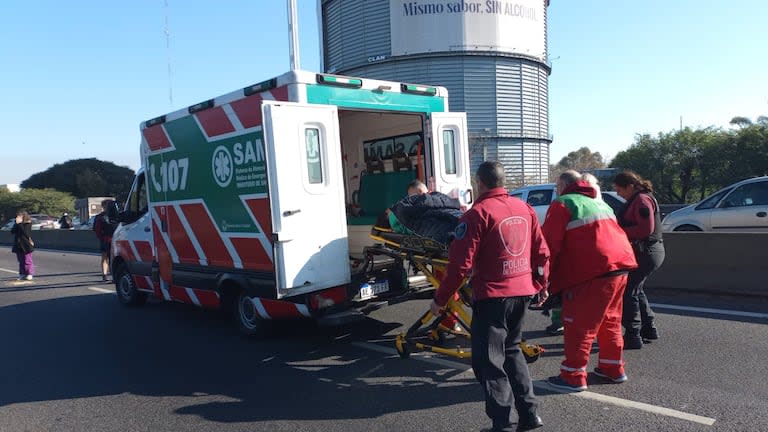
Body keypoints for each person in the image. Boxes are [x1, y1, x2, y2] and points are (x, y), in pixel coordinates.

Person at [430, 161, 549, 432]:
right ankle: (530, 415)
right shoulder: (525, 209)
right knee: (512, 351)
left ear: (479, 183)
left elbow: (459, 265)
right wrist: (541, 284)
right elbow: (542, 252)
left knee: (488, 361)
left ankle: (503, 423)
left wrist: (440, 299)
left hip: (493, 296)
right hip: (522, 293)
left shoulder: (476, 215)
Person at [541, 170, 637, 392]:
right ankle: (613, 369)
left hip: (591, 272)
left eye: (557, 187)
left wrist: (543, 277)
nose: (556, 191)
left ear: (564, 185)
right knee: (610, 321)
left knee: (578, 324)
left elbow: (549, 246)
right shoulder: (600, 203)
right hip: (620, 268)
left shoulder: (563, 203)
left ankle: (573, 375)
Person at [613, 171, 665, 349]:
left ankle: (633, 335)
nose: (618, 194)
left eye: (619, 190)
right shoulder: (639, 199)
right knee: (637, 290)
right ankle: (649, 328)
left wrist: (619, 232)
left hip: (646, 252)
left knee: (629, 292)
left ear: (630, 186)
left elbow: (646, 229)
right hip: (649, 251)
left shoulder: (642, 200)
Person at [94, 200, 119, 282]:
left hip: (106, 240)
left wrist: (102, 238)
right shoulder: (118, 216)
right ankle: (112, 276)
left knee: (105, 258)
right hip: (115, 240)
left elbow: (97, 230)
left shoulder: (99, 217)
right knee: (112, 258)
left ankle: (105, 275)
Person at [11, 211, 35, 281]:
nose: (17, 218)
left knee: (27, 260)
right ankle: (22, 274)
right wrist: (16, 224)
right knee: (21, 261)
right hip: (18, 244)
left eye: (19, 216)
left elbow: (25, 233)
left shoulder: (28, 223)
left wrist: (20, 224)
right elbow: (12, 231)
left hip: (26, 244)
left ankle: (29, 273)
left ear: (24, 216)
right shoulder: (17, 224)